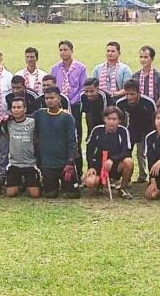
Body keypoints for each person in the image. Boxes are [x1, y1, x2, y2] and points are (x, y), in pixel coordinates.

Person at [34, 87, 79, 199]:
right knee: (50, 195)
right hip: (47, 164)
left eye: (52, 98)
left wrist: (70, 161)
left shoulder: (67, 117)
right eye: (47, 98)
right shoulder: (40, 114)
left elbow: (72, 140)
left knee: (73, 195)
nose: (49, 100)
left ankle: (67, 183)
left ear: (59, 99)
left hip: (64, 164)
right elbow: (23, 118)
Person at [50, 40, 87, 172]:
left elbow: (83, 88)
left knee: (75, 137)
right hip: (58, 107)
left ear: (71, 51)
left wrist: (71, 101)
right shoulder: (55, 69)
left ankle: (78, 169)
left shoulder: (80, 68)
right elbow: (52, 88)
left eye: (65, 50)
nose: (63, 52)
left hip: (75, 106)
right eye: (60, 50)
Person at [83, 106, 134, 199]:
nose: (111, 122)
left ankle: (122, 188)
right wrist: (91, 167)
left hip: (115, 165)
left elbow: (127, 151)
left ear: (119, 120)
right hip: (98, 165)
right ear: (104, 119)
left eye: (114, 119)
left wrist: (112, 160)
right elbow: (89, 150)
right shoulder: (97, 130)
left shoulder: (123, 131)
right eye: (109, 118)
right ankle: (99, 185)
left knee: (129, 162)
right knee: (90, 182)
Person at [116, 79, 156, 183]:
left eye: (132, 94)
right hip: (130, 129)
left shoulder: (149, 103)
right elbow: (119, 120)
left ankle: (144, 176)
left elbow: (155, 120)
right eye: (127, 94)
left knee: (142, 152)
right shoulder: (120, 103)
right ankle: (126, 177)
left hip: (147, 129)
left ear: (139, 92)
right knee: (126, 152)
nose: (129, 97)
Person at [3, 97, 41, 198]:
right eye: (14, 107)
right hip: (14, 164)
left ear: (25, 109)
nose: (16, 110)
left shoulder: (33, 122)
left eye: (19, 107)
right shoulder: (7, 123)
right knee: (11, 194)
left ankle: (29, 181)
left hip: (30, 164)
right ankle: (19, 182)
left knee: (35, 194)